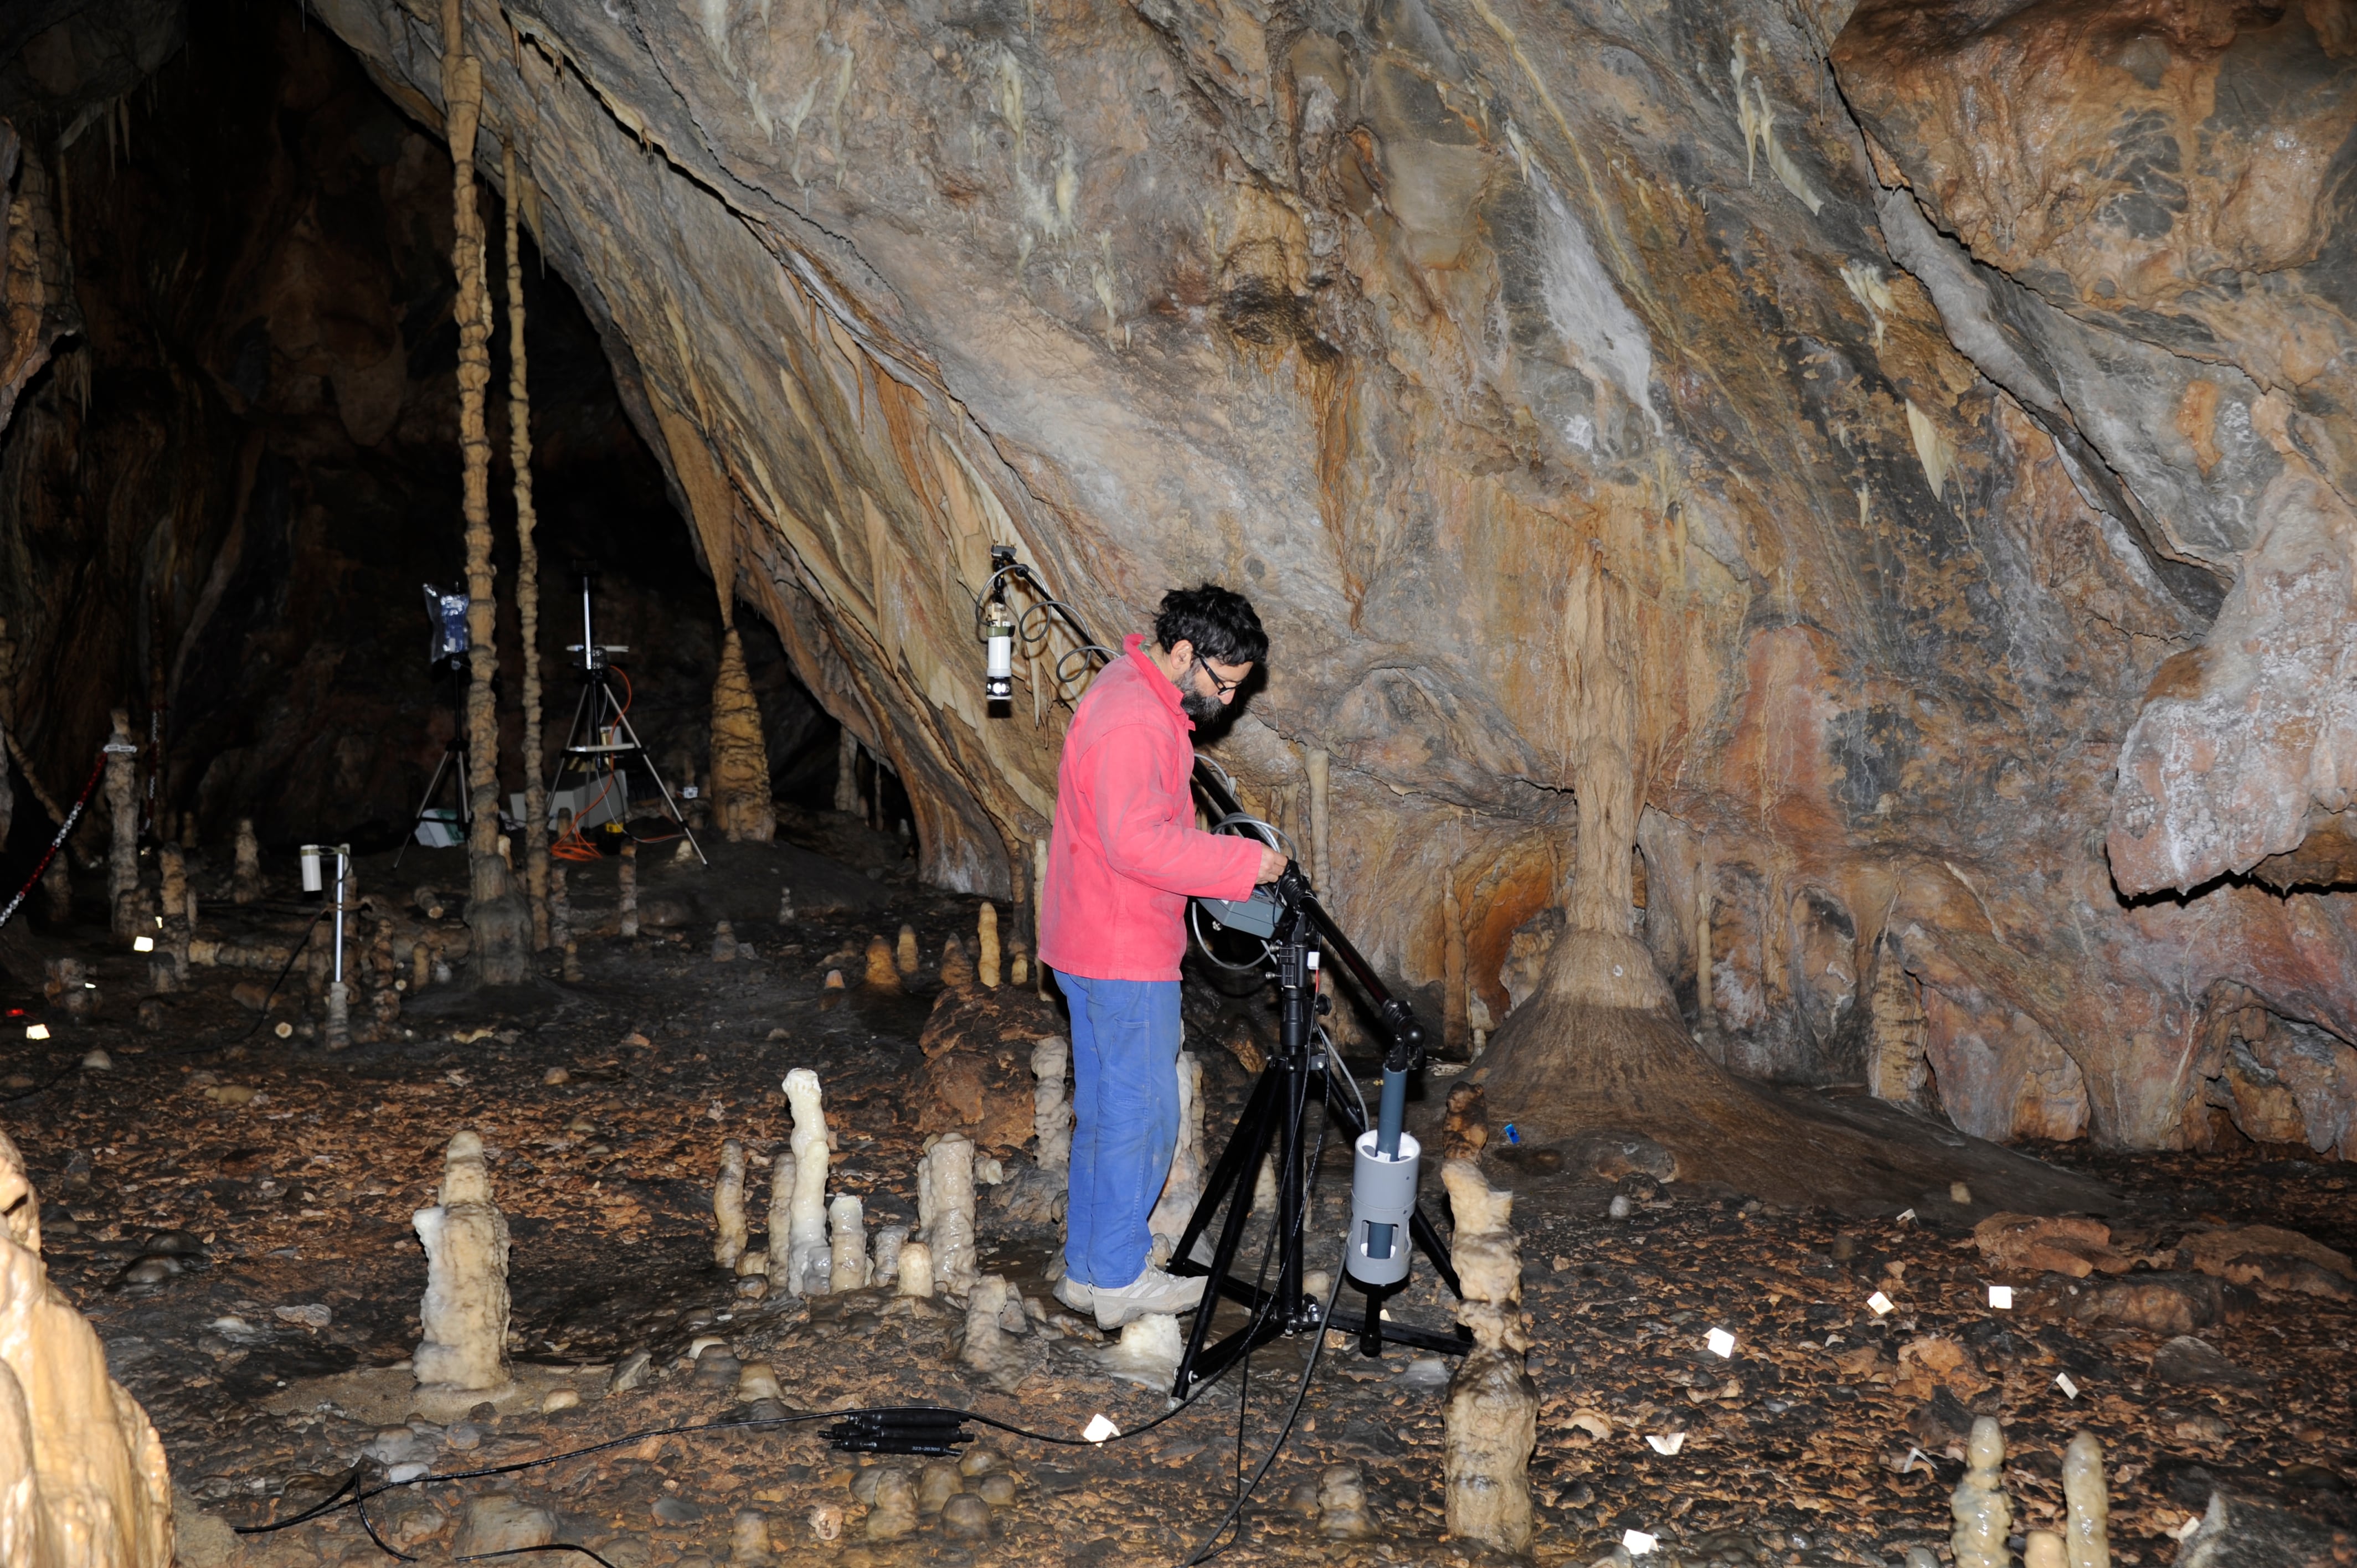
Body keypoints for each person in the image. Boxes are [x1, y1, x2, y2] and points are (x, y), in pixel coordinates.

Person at [1037, 584, 1288, 1328]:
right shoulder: (1134, 720)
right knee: (1141, 1119)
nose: (1229, 700)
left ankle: (1089, 1270)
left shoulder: (1134, 693)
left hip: (1095, 936)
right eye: (1223, 683)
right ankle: (1117, 1280)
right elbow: (1137, 842)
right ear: (1184, 654)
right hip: (1119, 949)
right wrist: (1242, 864)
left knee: (1109, 1114)